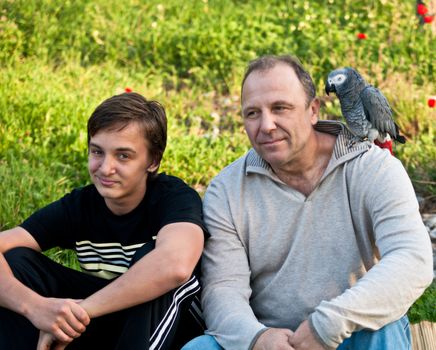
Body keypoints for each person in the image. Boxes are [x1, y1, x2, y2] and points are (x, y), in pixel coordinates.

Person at [182, 55, 433, 350]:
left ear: (313, 110)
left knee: (381, 327)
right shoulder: (226, 190)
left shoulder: (373, 168)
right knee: (200, 348)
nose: (267, 125)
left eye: (280, 108)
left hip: (351, 330)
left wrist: (326, 325)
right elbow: (222, 289)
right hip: (272, 341)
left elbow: (412, 260)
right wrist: (256, 338)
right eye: (252, 113)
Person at [0, 92, 207, 350]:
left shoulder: (174, 198)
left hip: (172, 331)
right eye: (97, 151)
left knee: (155, 261)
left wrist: (79, 310)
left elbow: (175, 266)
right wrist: (35, 307)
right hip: (107, 324)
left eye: (123, 156)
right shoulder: (80, 206)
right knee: (16, 261)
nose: (105, 168)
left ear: (152, 161)